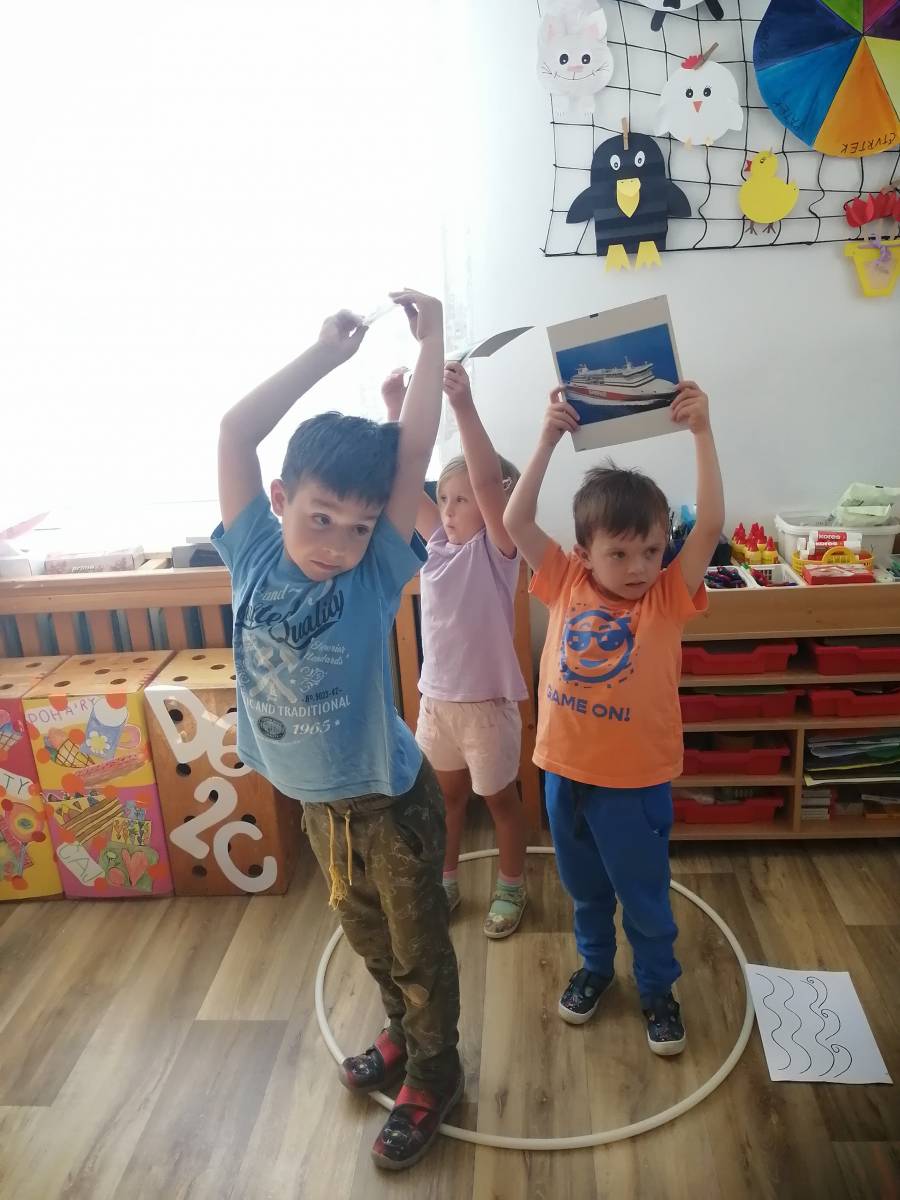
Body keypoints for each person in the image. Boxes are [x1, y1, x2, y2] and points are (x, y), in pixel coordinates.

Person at [213, 291, 463, 1171]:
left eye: (360, 527)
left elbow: (415, 452)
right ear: (281, 500)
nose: (339, 543)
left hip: (389, 802)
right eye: (321, 518)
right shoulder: (251, 549)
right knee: (367, 938)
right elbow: (236, 432)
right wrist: (325, 354)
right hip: (320, 807)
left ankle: (435, 1071)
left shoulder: (371, 574)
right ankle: (400, 1033)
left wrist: (433, 343)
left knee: (419, 947)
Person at [503, 382, 724, 1054]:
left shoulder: (667, 597)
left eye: (651, 551)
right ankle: (596, 968)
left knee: (645, 900)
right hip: (565, 777)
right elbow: (515, 519)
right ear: (585, 551)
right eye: (620, 553)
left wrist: (701, 432)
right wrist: (546, 438)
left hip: (634, 785)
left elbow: (709, 526)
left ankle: (657, 989)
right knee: (586, 892)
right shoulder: (564, 580)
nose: (638, 567)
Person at [383, 362, 528, 938]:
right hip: (437, 704)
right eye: (444, 497)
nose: (446, 508)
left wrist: (463, 406)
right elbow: (403, 479)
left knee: (500, 803)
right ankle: (445, 881)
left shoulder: (498, 550)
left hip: (486, 708)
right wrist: (395, 409)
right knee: (445, 801)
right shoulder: (439, 545)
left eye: (460, 499)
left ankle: (512, 887)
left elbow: (490, 484)